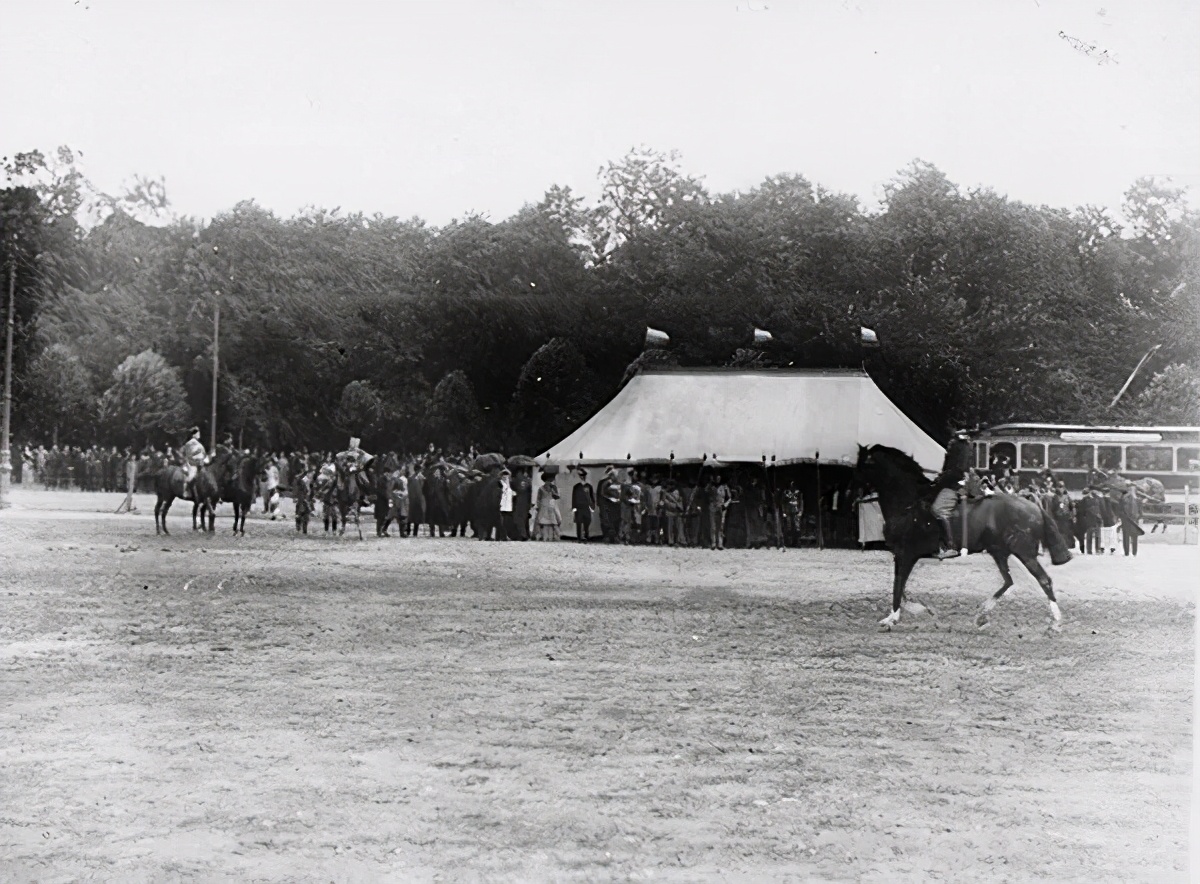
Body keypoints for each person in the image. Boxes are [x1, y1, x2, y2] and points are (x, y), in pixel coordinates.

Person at [931, 429, 972, 558]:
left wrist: (940, 479)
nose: (950, 443)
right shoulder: (959, 454)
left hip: (954, 486)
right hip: (950, 482)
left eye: (953, 440)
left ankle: (950, 546)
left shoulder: (958, 461)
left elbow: (954, 473)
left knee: (939, 509)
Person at [180, 426, 207, 500]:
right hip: (191, 464)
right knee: (191, 477)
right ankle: (185, 491)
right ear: (194, 434)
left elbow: (204, 454)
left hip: (201, 463)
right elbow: (189, 455)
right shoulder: (189, 443)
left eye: (199, 432)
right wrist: (197, 457)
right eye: (198, 433)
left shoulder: (199, 444)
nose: (199, 434)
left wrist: (205, 459)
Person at [597, 465, 621, 543]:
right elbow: (600, 494)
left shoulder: (617, 483)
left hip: (615, 505)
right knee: (606, 521)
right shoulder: (603, 482)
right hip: (605, 504)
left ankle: (615, 537)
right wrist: (601, 504)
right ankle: (606, 536)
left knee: (615, 521)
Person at [535, 472, 561, 541]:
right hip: (543, 507)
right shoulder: (541, 489)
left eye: (550, 480)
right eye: (547, 480)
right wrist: (538, 506)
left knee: (554, 522)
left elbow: (557, 497)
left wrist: (553, 491)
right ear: (545, 480)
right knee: (544, 523)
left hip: (551, 506)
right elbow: (538, 499)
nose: (549, 482)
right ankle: (544, 537)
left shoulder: (553, 487)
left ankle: (555, 536)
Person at [571, 468, 595, 542]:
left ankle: (586, 536)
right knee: (579, 522)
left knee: (587, 521)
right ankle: (579, 537)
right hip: (578, 507)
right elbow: (574, 497)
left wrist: (592, 506)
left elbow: (592, 497)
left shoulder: (589, 486)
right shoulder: (576, 487)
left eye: (583, 475)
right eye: (581, 475)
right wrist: (574, 507)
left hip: (586, 506)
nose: (582, 477)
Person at [1119, 485, 1144, 556]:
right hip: (1126, 520)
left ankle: (1134, 552)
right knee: (1126, 537)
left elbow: (1140, 512)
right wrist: (1122, 518)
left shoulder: (1138, 500)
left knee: (1134, 538)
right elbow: (1120, 510)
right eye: (1130, 490)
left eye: (1132, 490)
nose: (1131, 491)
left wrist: (1139, 519)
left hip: (1134, 521)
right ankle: (1126, 552)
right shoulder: (1123, 499)